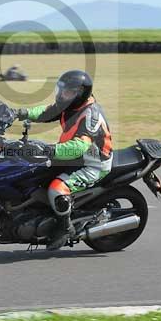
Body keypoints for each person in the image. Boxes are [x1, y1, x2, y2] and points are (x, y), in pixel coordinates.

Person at [12, 70, 113, 250]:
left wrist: (49, 150)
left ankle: (65, 228)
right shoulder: (70, 105)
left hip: (92, 164)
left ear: (80, 93)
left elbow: (79, 146)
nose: (61, 94)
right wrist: (20, 113)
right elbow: (47, 111)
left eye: (66, 91)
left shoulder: (90, 115)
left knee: (56, 189)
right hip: (74, 158)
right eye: (61, 90)